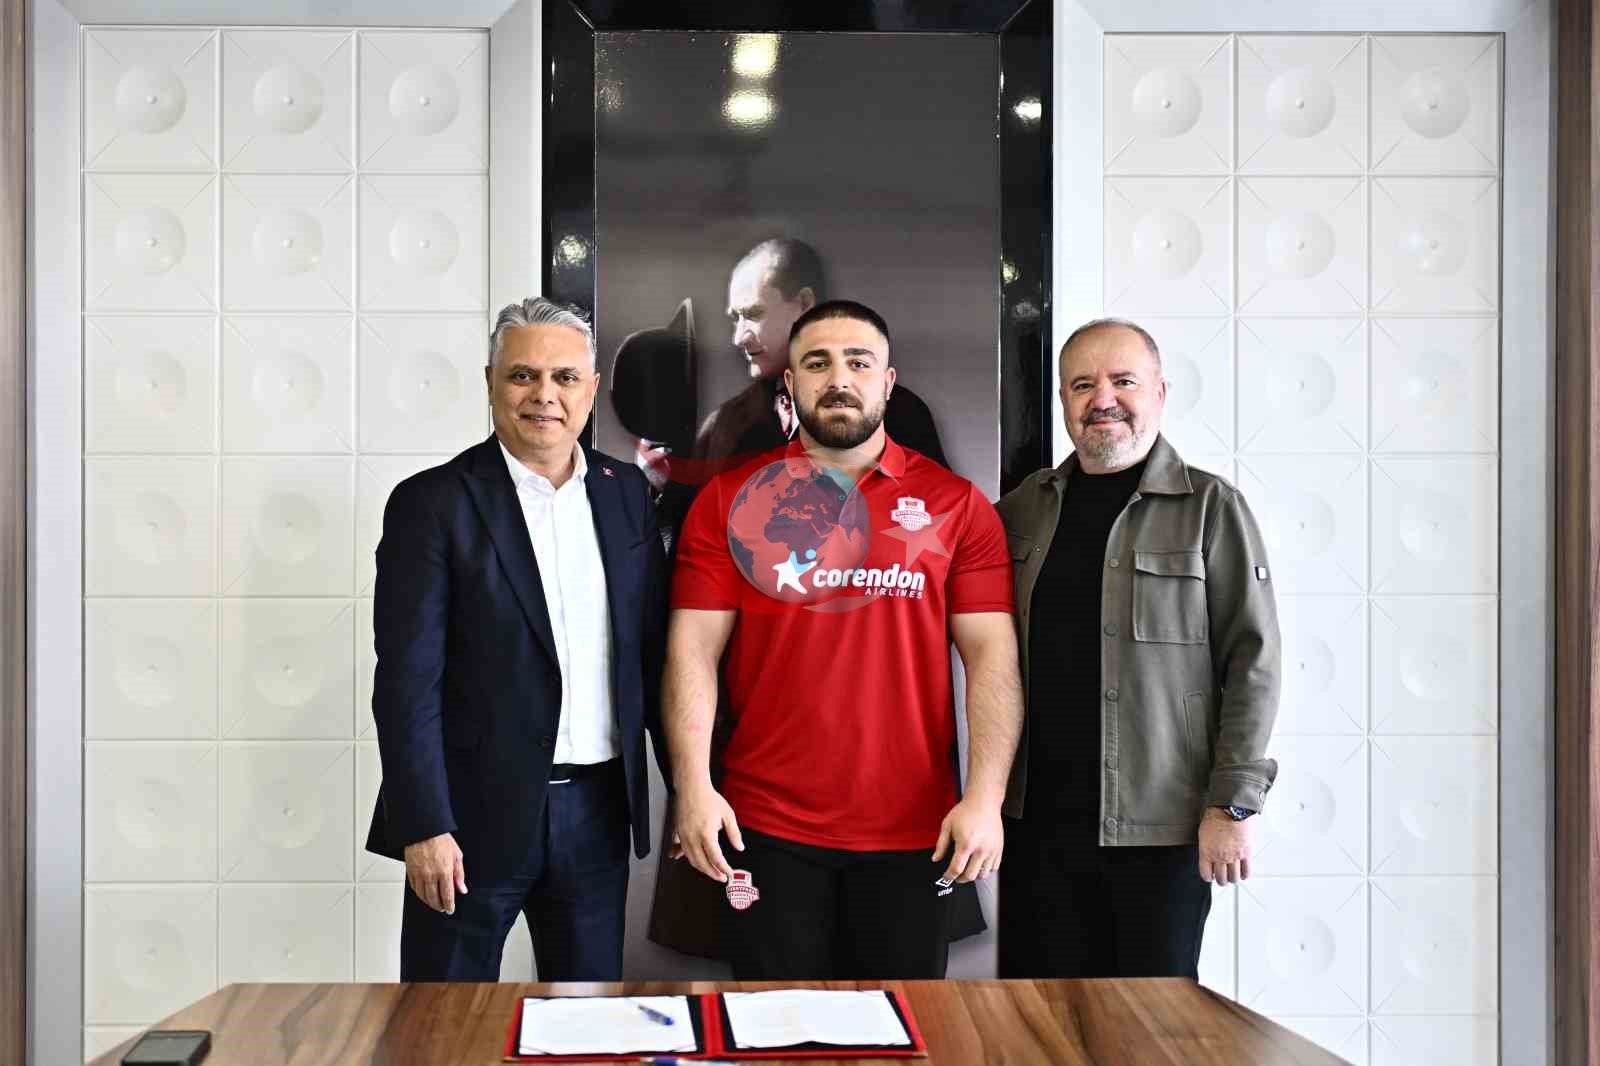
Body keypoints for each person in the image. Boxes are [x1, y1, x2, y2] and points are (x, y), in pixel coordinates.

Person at [665, 299, 1022, 978]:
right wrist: (692, 786)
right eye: (817, 363)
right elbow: (692, 652)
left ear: (888, 381)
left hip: (916, 832)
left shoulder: (957, 505)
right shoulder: (729, 501)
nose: (838, 379)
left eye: (858, 363)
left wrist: (985, 799)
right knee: (773, 1030)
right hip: (765, 826)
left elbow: (992, 659)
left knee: (900, 1027)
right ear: (789, 383)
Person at [365, 297, 669, 981]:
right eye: (523, 375)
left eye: (565, 377)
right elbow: (407, 682)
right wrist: (423, 824)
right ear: (490, 382)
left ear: (591, 388)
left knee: (588, 1021)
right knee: (442, 1024)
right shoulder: (432, 502)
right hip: (468, 820)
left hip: (596, 814)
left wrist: (688, 790)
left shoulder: (625, 493)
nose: (544, 396)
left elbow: (651, 658)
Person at [994, 318, 1281, 979]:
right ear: (1063, 400)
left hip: (1162, 830)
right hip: (1036, 829)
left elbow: (1254, 662)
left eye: (1123, 381)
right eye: (1083, 385)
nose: (1103, 400)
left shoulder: (1211, 507)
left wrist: (1233, 804)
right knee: (1042, 1021)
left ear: (1159, 392)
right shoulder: (1021, 511)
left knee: (1151, 1023)